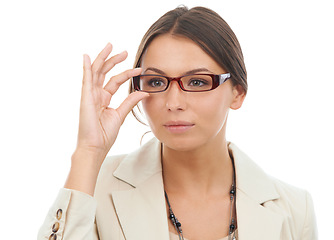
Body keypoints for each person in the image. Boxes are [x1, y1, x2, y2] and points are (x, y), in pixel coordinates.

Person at [38, 6, 317, 240]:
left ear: (237, 93)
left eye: (196, 81)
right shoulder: (93, 189)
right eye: (157, 82)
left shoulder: (294, 209)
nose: (173, 102)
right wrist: (88, 151)